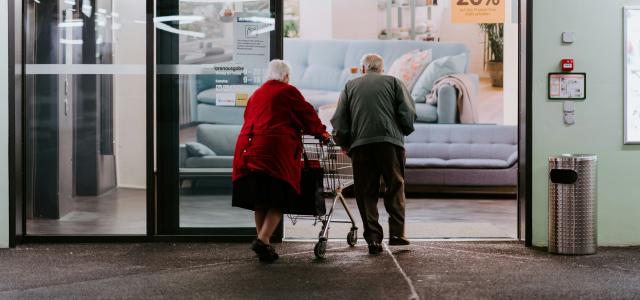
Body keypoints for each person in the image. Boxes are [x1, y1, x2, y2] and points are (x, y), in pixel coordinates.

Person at [232, 59, 330, 263]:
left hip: (248, 148)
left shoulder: (257, 93)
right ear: (286, 76)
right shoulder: (288, 91)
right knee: (280, 197)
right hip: (274, 150)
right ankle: (263, 239)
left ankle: (264, 244)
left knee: (260, 200)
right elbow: (307, 115)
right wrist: (323, 135)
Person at [330, 53, 416, 255]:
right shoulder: (394, 82)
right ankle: (396, 234)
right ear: (382, 69)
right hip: (390, 144)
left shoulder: (350, 86)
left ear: (363, 69)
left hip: (361, 146)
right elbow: (407, 113)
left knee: (366, 192)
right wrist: (401, 131)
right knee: (395, 186)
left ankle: (373, 240)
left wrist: (343, 142)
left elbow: (339, 119)